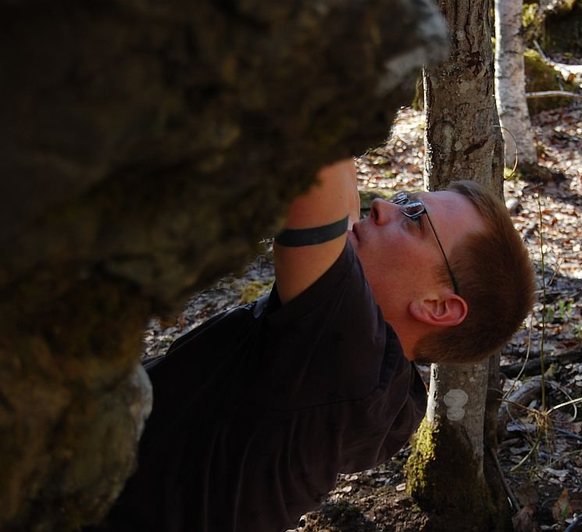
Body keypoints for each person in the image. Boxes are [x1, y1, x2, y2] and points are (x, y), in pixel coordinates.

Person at [94, 158, 534, 532]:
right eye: (403, 197)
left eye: (414, 216)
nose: (382, 205)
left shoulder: (352, 364)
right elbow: (337, 183)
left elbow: (316, 167)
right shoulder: (375, 382)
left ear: (437, 306)